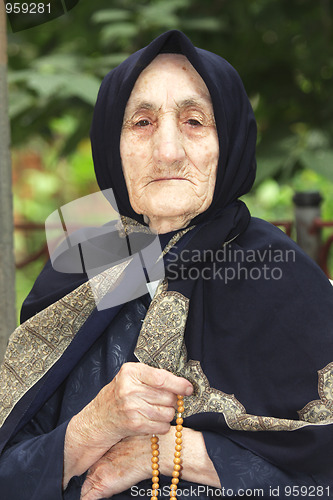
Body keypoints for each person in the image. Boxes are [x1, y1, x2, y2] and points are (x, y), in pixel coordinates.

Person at [0, 30, 332, 500]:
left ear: (231, 140)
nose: (168, 151)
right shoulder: (79, 266)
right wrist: (93, 428)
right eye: (141, 123)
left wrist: (175, 450)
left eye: (195, 121)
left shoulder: (281, 272)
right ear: (111, 147)